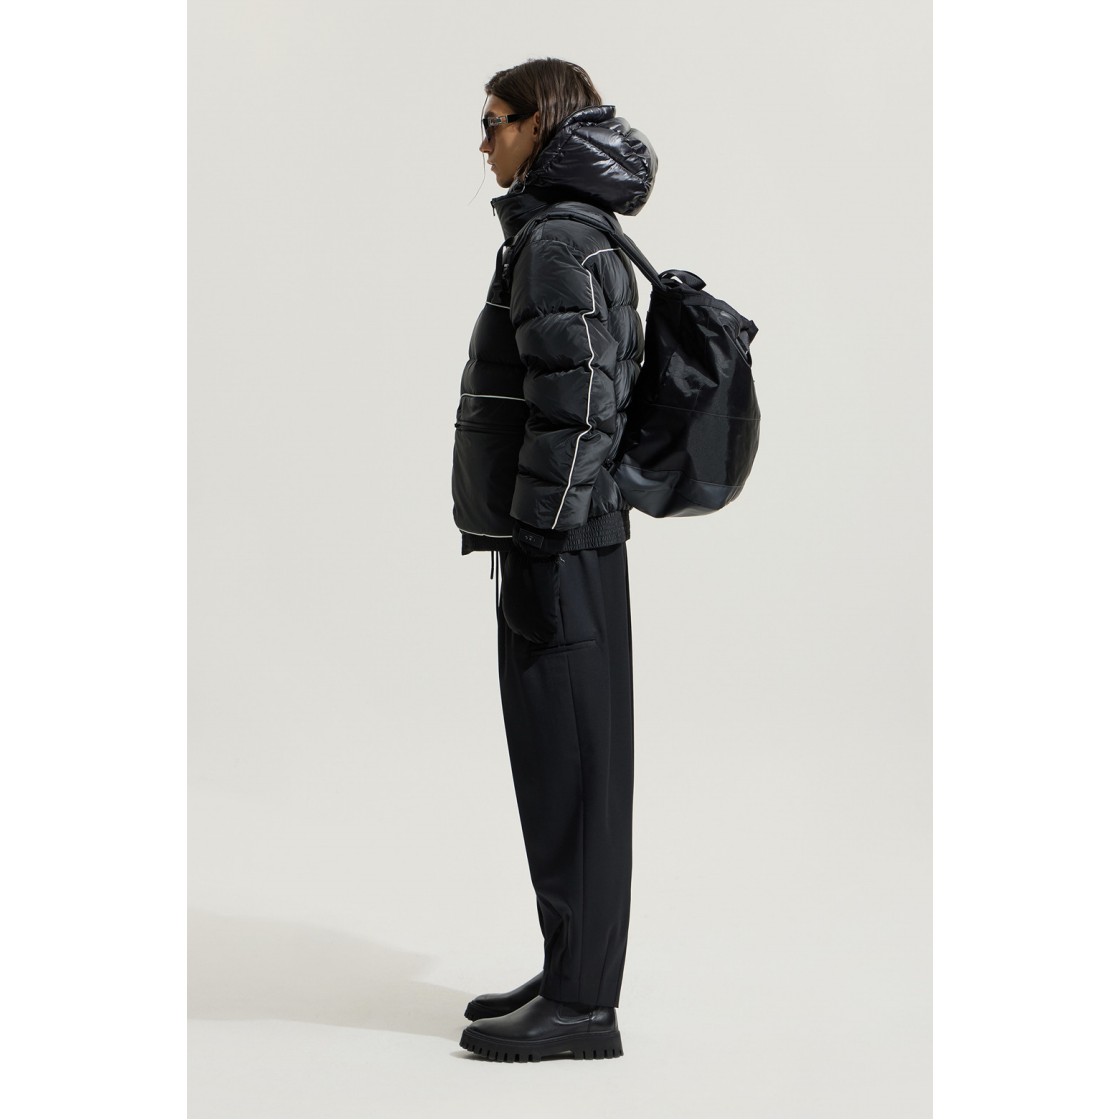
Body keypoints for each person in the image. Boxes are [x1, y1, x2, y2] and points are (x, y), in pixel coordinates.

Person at [450, 57, 657, 1062]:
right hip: (574, 539)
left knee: (570, 772)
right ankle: (571, 969)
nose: (483, 141)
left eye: (495, 120)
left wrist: (536, 536)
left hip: (560, 545)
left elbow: (576, 408)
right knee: (568, 769)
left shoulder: (556, 240)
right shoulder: (576, 231)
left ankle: (582, 1006)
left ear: (541, 125)